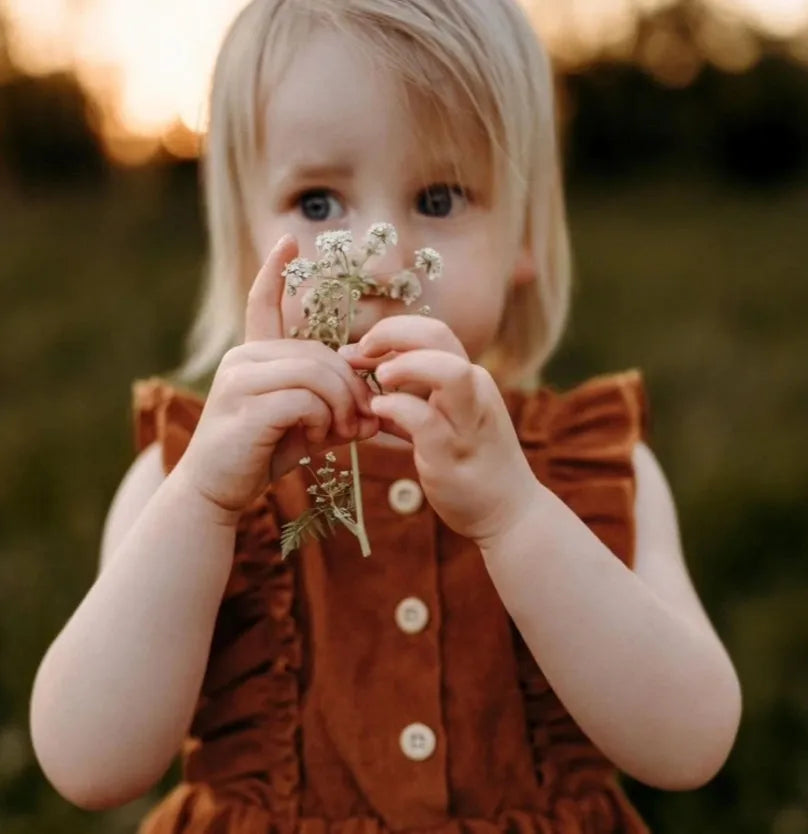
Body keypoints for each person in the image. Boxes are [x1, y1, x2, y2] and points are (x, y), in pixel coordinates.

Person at [29, 1, 742, 832]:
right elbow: (89, 764)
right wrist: (205, 504)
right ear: (241, 241)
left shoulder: (587, 463)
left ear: (525, 238)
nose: (380, 259)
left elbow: (690, 744)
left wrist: (515, 514)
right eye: (320, 204)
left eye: (439, 198)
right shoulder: (182, 472)